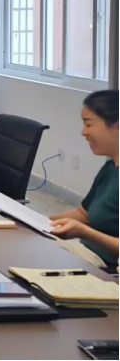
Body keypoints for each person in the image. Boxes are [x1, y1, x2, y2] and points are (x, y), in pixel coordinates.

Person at [50, 90, 118, 271]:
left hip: (105, 267)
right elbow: (84, 213)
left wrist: (84, 232)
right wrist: (38, 221)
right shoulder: (110, 169)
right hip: (86, 252)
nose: (83, 132)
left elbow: (83, 225)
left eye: (88, 124)